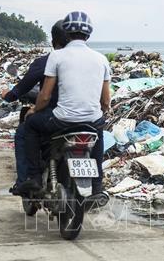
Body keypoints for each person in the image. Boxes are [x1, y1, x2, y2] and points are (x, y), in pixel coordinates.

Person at [24, 11, 111, 194]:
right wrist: (98, 112)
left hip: (62, 120)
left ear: (66, 33)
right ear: (88, 34)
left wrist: (34, 110)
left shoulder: (57, 56)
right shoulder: (102, 59)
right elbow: (105, 101)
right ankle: (97, 188)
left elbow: (45, 96)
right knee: (99, 134)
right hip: (92, 121)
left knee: (30, 125)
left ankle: (33, 177)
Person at [2, 20, 69, 195]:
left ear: (54, 41)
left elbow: (33, 91)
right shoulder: (89, 61)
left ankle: (29, 179)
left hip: (54, 116)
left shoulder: (48, 61)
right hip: (88, 118)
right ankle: (97, 185)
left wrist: (8, 95)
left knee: (24, 131)